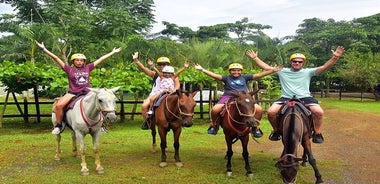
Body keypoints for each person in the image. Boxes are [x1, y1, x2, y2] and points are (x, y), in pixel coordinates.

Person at [246, 46, 345, 143]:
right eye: (294, 61)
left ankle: (317, 132)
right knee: (271, 112)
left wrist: (335, 57)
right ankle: (276, 131)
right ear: (291, 62)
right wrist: (255, 58)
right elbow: (266, 67)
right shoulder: (282, 71)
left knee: (319, 112)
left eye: (300, 61)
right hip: (286, 97)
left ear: (303, 63)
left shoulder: (308, 72)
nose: (297, 63)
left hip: (305, 97)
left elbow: (325, 67)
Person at [35, 41, 121, 134]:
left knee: (99, 103)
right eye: (77, 60)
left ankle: (101, 126)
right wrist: (44, 49)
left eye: (81, 60)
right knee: (59, 105)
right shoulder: (69, 69)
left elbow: (101, 59)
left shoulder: (88, 67)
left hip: (87, 92)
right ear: (73, 61)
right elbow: (56, 58)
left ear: (84, 61)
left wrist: (112, 52)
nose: (79, 62)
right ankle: (59, 126)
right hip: (73, 92)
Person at [194, 63, 281, 137]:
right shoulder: (226, 78)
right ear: (230, 71)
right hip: (228, 96)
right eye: (233, 70)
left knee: (259, 109)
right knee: (215, 109)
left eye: (238, 70)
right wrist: (202, 69)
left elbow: (259, 75)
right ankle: (214, 126)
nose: (236, 72)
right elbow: (214, 75)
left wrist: (272, 70)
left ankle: (256, 127)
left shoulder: (245, 77)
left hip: (243, 97)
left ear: (241, 71)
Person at [132, 52, 180, 130]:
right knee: (144, 106)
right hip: (155, 93)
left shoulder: (173, 75)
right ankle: (147, 122)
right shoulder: (155, 74)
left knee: (183, 104)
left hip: (171, 93)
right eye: (160, 64)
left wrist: (173, 91)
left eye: (164, 64)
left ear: (168, 65)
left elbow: (177, 85)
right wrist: (136, 60)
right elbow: (144, 69)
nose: (161, 66)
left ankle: (182, 119)